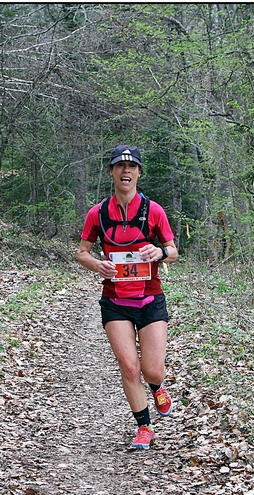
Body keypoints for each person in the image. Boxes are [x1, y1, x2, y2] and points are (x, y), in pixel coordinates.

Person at [77, 144, 178, 450]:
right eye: (120, 166)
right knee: (130, 367)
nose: (126, 171)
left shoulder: (154, 211)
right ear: (111, 172)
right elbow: (82, 253)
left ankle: (157, 386)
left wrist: (159, 252)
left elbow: (173, 250)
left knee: (152, 369)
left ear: (138, 173)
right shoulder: (97, 214)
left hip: (149, 299)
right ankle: (144, 427)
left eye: (131, 166)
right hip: (115, 301)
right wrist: (98, 265)